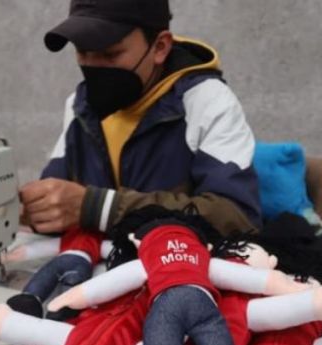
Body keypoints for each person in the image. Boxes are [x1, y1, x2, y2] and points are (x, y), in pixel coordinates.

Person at [20, 0, 261, 237]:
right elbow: (56, 204)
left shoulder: (206, 101)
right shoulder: (79, 105)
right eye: (82, 52)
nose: (93, 66)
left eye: (110, 54)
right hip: (96, 262)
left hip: (174, 261)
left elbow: (238, 217)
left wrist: (101, 208)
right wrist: (28, 208)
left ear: (160, 47)